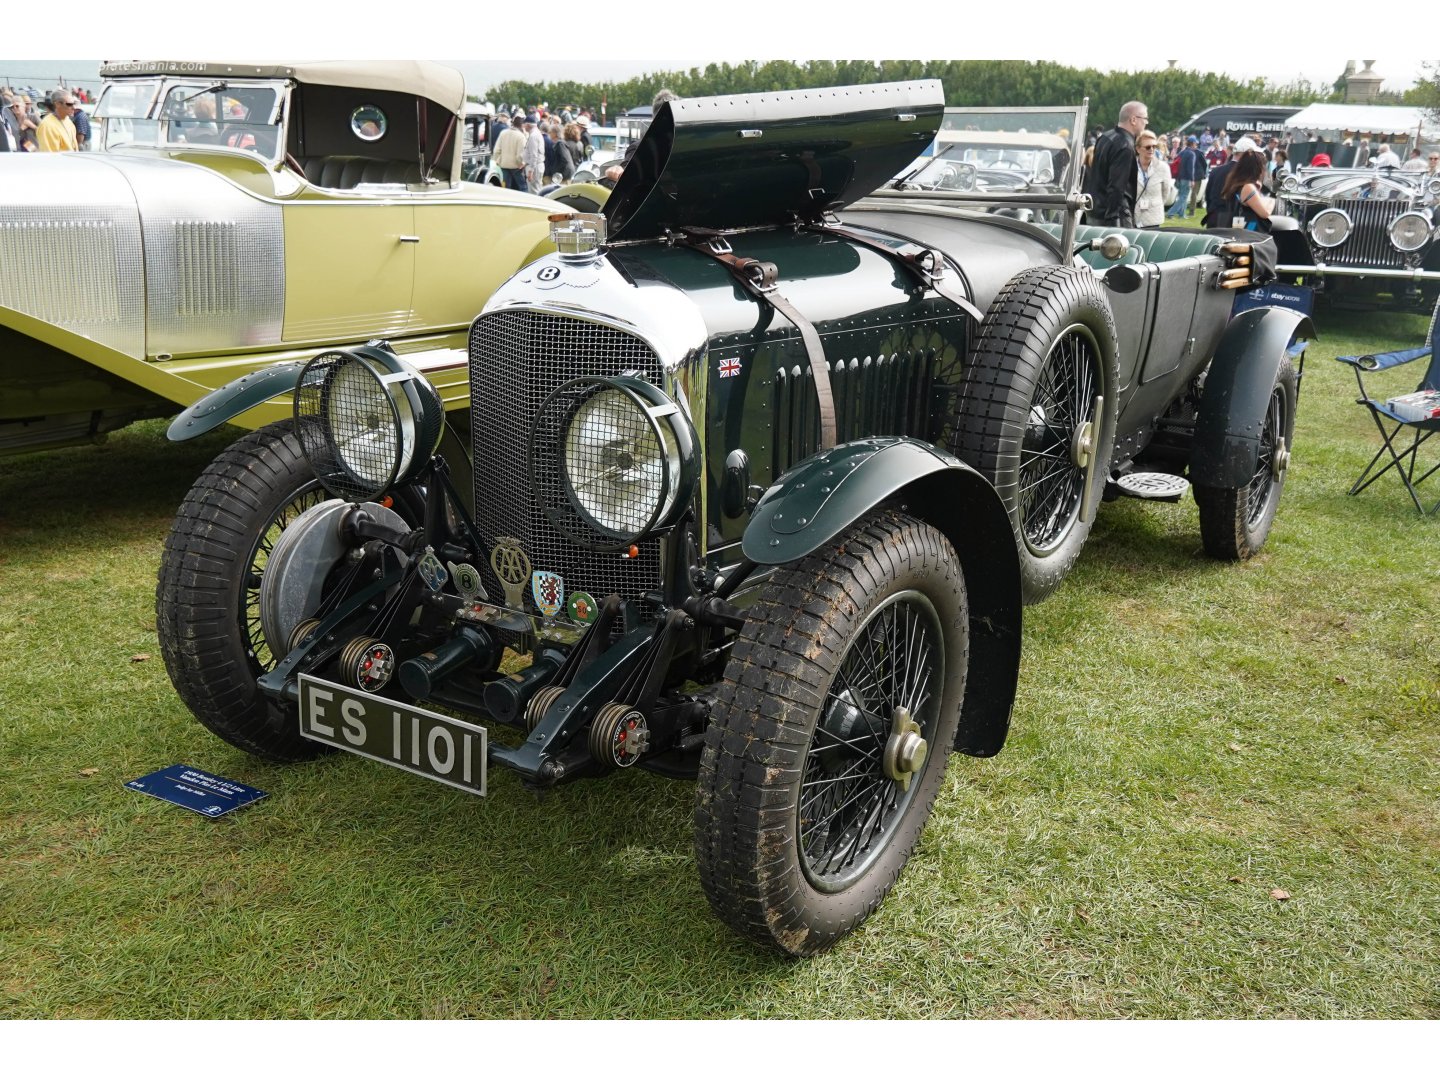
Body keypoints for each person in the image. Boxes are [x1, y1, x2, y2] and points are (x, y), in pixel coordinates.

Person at [1082, 101, 1148, 228]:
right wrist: (1114, 221)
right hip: (1112, 216)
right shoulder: (1125, 146)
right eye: (1145, 118)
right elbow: (1116, 187)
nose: (1146, 122)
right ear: (1133, 120)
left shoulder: (1105, 137)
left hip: (1095, 210)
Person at [1222, 147, 1273, 231]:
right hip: (1249, 234)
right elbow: (1265, 213)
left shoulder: (1236, 183)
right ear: (1258, 168)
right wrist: (1272, 201)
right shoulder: (1248, 187)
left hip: (1240, 233)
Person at [1133, 130, 1175, 228]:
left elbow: (1165, 192)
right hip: (1133, 217)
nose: (1151, 149)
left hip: (1154, 218)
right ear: (1138, 149)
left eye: (1154, 146)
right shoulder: (1130, 166)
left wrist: (1154, 204)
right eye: (1148, 147)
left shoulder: (1163, 167)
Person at [1167, 134, 1203, 218]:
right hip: (1186, 178)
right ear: (1193, 143)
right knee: (1183, 197)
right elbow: (1191, 168)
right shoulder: (1191, 154)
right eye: (1196, 144)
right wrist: (1192, 180)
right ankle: (1170, 213)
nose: (1196, 145)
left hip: (1179, 177)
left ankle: (1182, 214)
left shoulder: (1182, 152)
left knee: (1182, 196)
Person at [492, 112, 528, 191]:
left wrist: (498, 161)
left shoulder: (503, 133)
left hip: (504, 165)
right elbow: (520, 155)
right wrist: (522, 163)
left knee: (505, 188)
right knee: (522, 187)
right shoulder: (521, 136)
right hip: (516, 166)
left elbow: (496, 150)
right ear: (522, 125)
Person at [522, 113, 544, 194]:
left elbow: (534, 155)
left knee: (534, 192)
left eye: (524, 124)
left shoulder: (533, 136)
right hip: (537, 166)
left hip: (534, 167)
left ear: (528, 125)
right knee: (537, 190)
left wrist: (531, 171)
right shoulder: (536, 133)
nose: (524, 126)